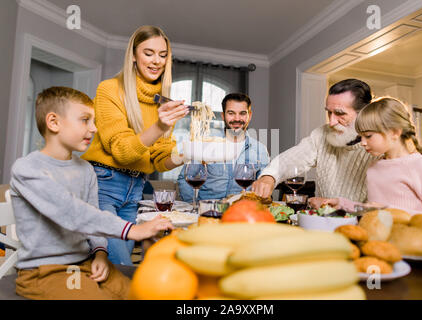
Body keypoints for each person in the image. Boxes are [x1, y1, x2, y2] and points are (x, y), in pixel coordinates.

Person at [9, 87, 174, 300]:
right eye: (85, 120)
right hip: (45, 272)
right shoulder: (27, 169)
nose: (94, 128)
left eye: (94, 121)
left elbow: (92, 216)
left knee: (141, 294)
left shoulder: (85, 169)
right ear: (53, 122)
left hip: (86, 263)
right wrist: (132, 230)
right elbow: (72, 212)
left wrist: (100, 253)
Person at [81, 26, 188, 265]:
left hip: (136, 189)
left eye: (163, 55)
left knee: (116, 268)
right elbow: (122, 150)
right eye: (148, 53)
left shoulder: (163, 100)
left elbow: (160, 158)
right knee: (121, 265)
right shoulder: (109, 90)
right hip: (103, 184)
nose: (156, 61)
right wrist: (160, 126)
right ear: (133, 55)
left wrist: (187, 153)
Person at [315, 97, 422, 227]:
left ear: (395, 132)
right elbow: (374, 210)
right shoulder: (374, 167)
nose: (362, 143)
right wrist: (343, 204)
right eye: (360, 136)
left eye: (368, 136)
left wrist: (387, 211)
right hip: (378, 243)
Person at [252, 79, 376, 204]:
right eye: (329, 112)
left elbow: (382, 208)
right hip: (320, 220)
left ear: (363, 113)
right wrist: (269, 176)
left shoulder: (379, 148)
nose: (331, 122)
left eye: (340, 114)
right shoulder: (321, 134)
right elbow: (293, 158)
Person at [177, 93, 270, 202]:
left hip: (242, 212)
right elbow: (185, 179)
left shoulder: (260, 150)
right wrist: (193, 205)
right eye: (231, 113)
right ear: (223, 116)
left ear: (249, 115)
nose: (237, 118)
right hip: (209, 211)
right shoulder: (206, 144)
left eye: (242, 113)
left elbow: (264, 185)